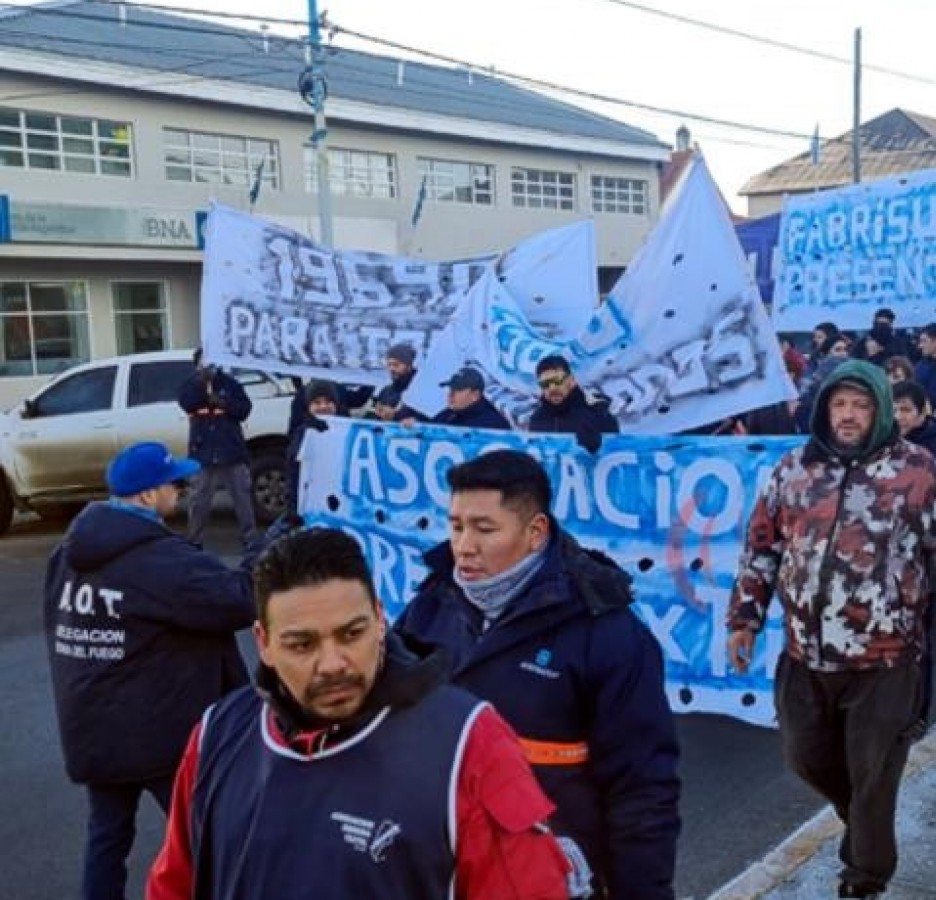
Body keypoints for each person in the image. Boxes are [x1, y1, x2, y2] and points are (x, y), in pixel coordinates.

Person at [146, 527, 577, 900]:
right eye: (302, 644)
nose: (333, 663)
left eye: (351, 634)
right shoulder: (218, 734)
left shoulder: (467, 743)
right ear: (264, 644)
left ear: (379, 618)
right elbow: (174, 884)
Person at [727, 360, 936, 899]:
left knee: (874, 776)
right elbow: (762, 547)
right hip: (805, 655)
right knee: (803, 757)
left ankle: (865, 876)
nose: (849, 415)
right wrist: (745, 618)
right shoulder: (793, 470)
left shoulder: (919, 471)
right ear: (826, 408)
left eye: (861, 405)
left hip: (886, 661)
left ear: (878, 410)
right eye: (839, 404)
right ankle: (865, 828)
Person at [396, 451, 680, 899]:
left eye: (484, 529)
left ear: (535, 533)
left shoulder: (607, 632)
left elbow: (643, 787)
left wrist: (642, 891)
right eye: (455, 526)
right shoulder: (431, 605)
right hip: (443, 865)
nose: (464, 546)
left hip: (550, 876)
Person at [46, 442, 257, 900]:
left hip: (93, 730)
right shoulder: (160, 560)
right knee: (208, 839)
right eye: (174, 483)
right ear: (145, 496)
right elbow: (238, 600)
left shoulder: (65, 555)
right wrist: (264, 551)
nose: (182, 490)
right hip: (161, 739)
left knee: (106, 841)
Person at [178, 349, 258, 550]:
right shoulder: (191, 384)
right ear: (196, 365)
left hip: (231, 450)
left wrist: (224, 402)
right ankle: (195, 542)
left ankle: (250, 541)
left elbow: (245, 409)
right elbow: (186, 403)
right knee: (198, 501)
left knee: (242, 499)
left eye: (211, 364)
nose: (207, 368)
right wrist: (201, 384)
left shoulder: (230, 384)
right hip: (203, 451)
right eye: (202, 364)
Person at [524, 355, 621, 453]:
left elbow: (616, 457)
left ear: (572, 381)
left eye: (557, 381)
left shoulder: (598, 413)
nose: (552, 388)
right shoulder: (537, 419)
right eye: (545, 384)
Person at [284, 379, 344, 521]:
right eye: (317, 403)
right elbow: (293, 473)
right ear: (309, 406)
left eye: (329, 402)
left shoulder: (347, 432)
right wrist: (294, 508)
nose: (323, 407)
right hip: (312, 506)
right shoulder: (303, 433)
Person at [424, 367, 514, 431]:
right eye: (451, 388)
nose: (451, 394)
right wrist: (413, 426)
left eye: (458, 389)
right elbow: (425, 432)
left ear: (475, 395)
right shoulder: (446, 415)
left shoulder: (494, 424)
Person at [373, 342, 421, 422]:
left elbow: (427, 420)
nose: (391, 369)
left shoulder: (420, 391)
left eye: (396, 365)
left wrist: (395, 416)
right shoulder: (385, 391)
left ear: (409, 366)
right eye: (389, 365)